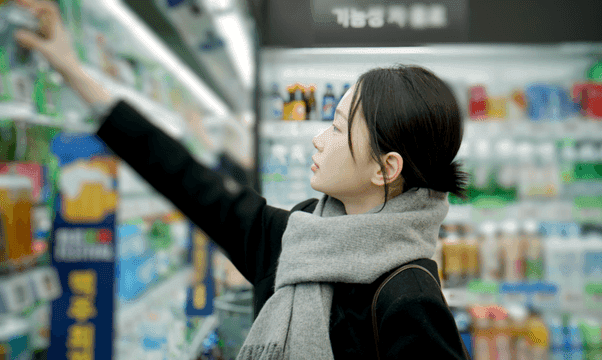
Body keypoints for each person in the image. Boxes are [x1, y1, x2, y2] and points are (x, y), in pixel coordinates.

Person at [13, 0, 470, 358]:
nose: (318, 140)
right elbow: (186, 179)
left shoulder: (409, 298)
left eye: (336, 128)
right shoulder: (301, 235)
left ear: (385, 169)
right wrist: (73, 71)